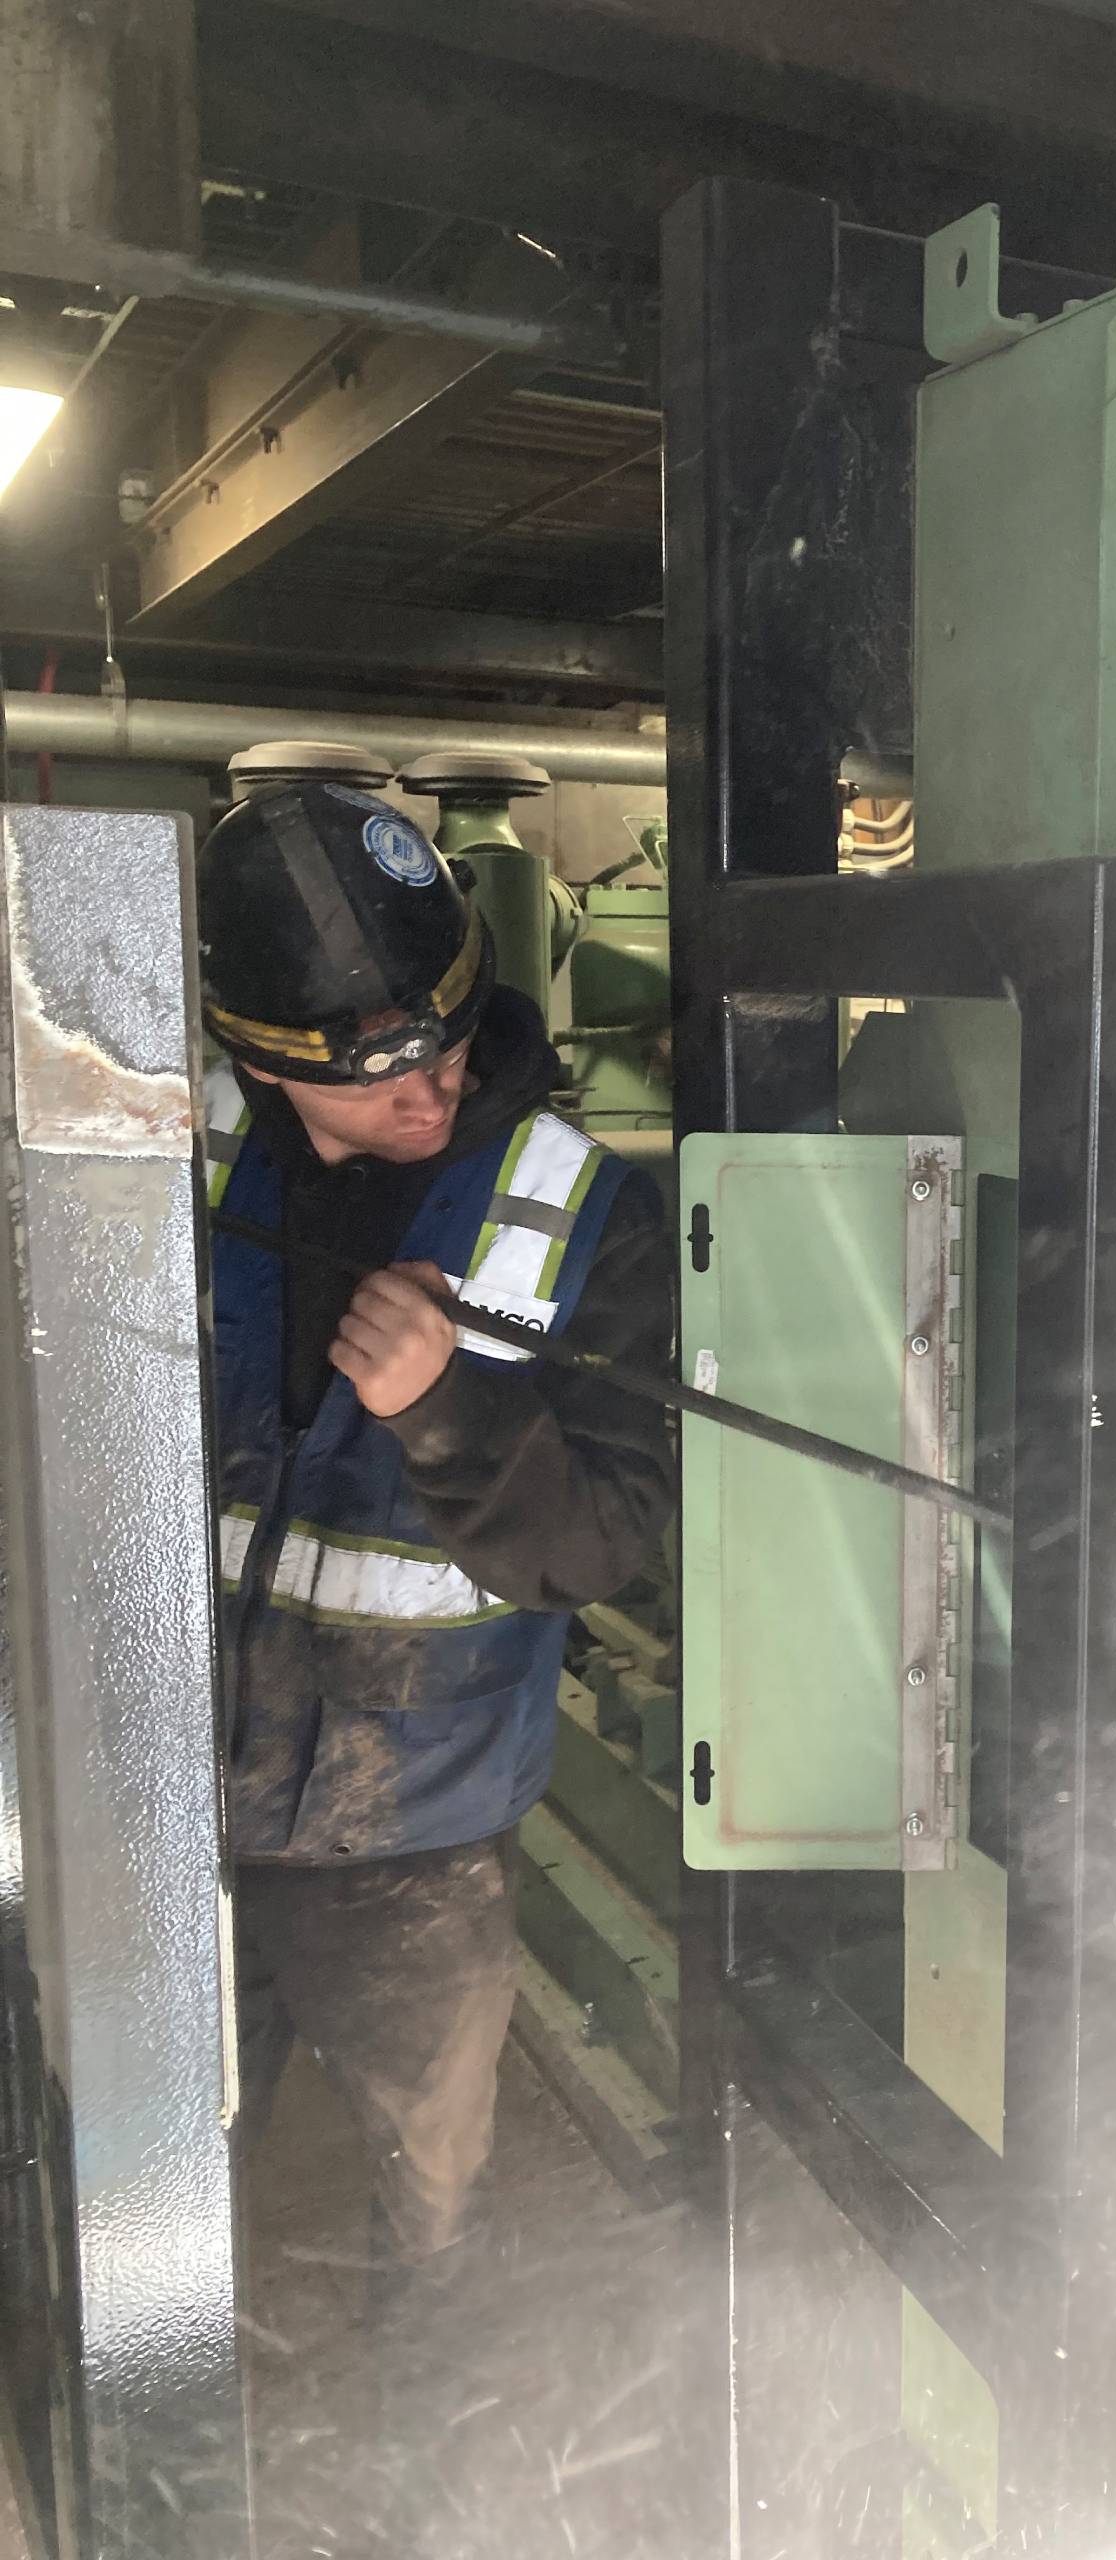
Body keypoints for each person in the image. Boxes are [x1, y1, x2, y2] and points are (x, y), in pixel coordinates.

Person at [195, 780, 673, 2304]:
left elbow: (614, 1545)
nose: (434, 1095)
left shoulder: (586, 1211)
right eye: (380, 1078)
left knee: (432, 2212)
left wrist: (450, 1410)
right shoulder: (170, 1150)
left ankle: (426, 2473)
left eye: (452, 1046)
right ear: (255, 1060)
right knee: (142, 2180)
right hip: (163, 1798)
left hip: (411, 1833)